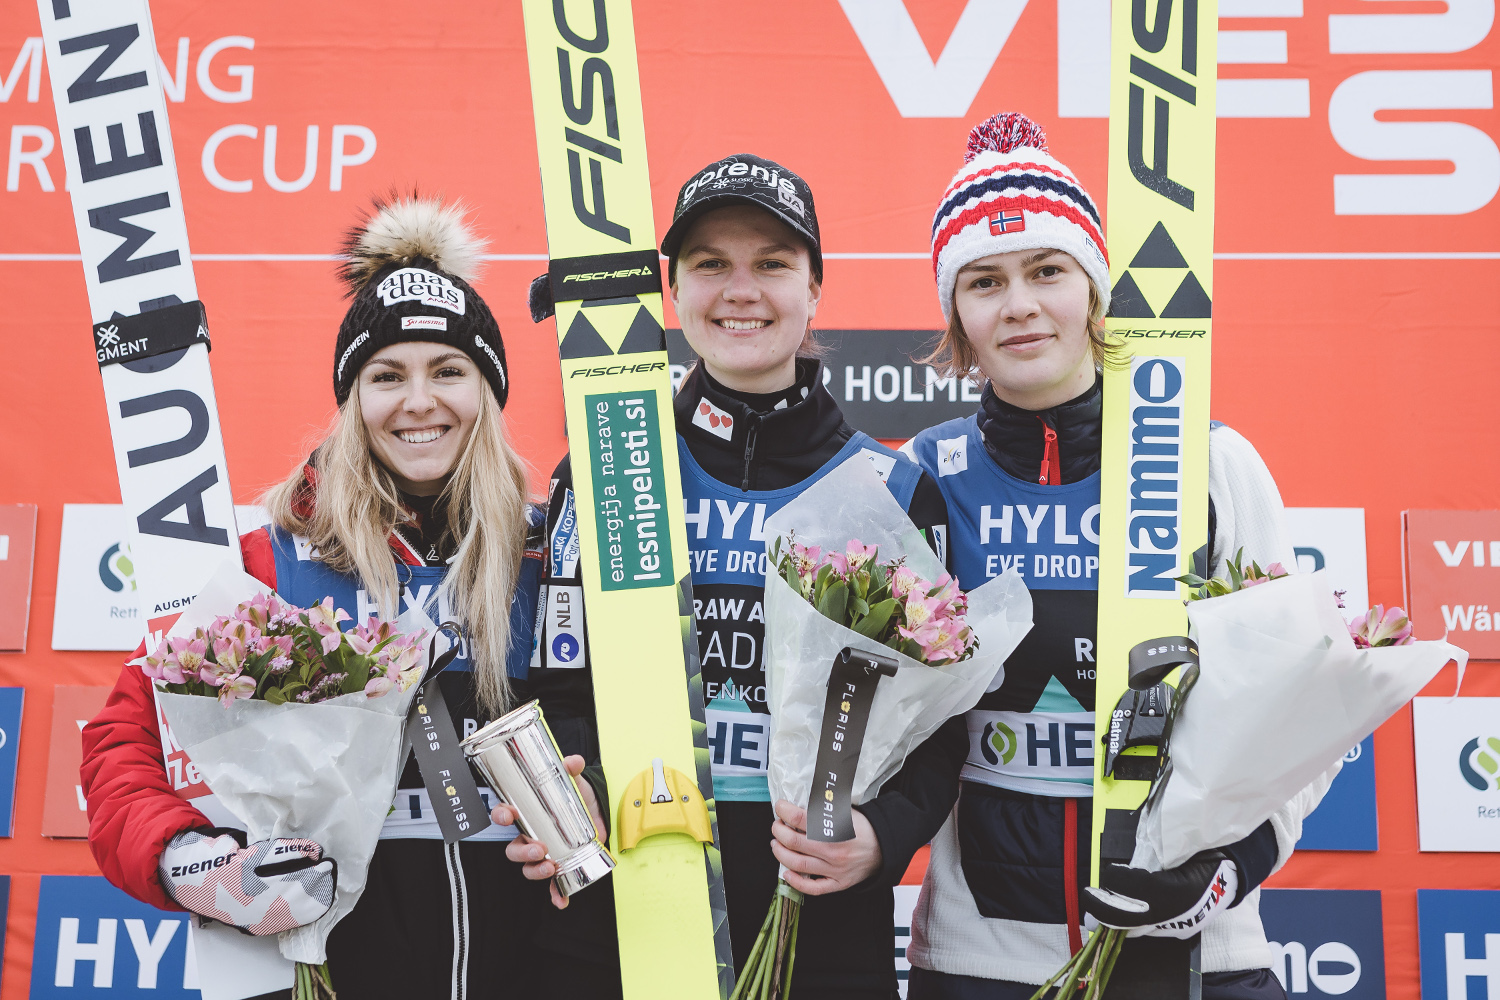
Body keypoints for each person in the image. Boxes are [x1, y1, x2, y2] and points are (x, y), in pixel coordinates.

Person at [80, 196, 605, 1000]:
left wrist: (594, 792)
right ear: (352, 399)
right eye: (386, 375)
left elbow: (640, 729)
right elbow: (122, 743)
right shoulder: (271, 564)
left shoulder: (551, 556)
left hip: (537, 966)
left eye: (449, 371)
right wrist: (191, 864)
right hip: (327, 970)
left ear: (488, 393)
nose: (419, 401)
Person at [899, 113, 1332, 999]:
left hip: (1198, 952)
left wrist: (1229, 871)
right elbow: (897, 727)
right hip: (983, 961)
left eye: (1047, 271)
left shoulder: (1209, 461)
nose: (1019, 303)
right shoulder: (926, 477)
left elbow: (1307, 712)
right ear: (958, 315)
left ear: (1094, 288)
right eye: (984, 281)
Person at [512, 154, 964, 998]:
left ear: (815, 289)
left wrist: (881, 835)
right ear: (674, 289)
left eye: (772, 263)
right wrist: (568, 808)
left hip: (815, 924)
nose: (740, 289)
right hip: (629, 909)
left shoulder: (892, 488)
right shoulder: (611, 471)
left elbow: (936, 728)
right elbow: (560, 690)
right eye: (711, 264)